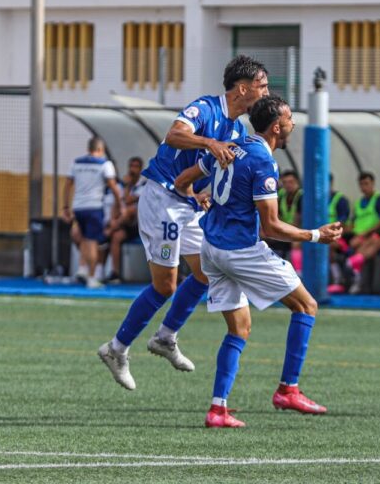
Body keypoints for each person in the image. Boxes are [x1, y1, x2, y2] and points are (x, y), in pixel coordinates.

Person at [98, 55, 269, 390]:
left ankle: (165, 337)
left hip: (186, 202)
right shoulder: (205, 109)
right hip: (161, 200)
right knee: (165, 285)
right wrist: (209, 142)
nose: (266, 93)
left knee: (207, 272)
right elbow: (175, 135)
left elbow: (204, 169)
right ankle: (116, 349)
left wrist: (200, 192)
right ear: (244, 88)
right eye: (262, 86)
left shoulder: (237, 128)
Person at [174, 95, 342, 428]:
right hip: (240, 252)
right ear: (277, 126)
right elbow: (271, 226)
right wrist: (316, 236)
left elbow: (182, 182)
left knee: (239, 329)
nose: (294, 122)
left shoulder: (231, 146)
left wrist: (202, 202)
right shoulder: (263, 162)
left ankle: (217, 409)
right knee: (306, 306)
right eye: (291, 117)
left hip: (212, 248)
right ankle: (288, 390)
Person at [62, 136, 122, 289]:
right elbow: (113, 187)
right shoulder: (105, 164)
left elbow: (67, 185)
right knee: (93, 242)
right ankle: (92, 277)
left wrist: (65, 208)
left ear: (88, 148)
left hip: (78, 207)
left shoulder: (76, 163)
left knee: (83, 238)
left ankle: (82, 268)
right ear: (101, 149)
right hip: (94, 207)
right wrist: (120, 204)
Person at [343, 172, 380, 294]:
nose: (364, 187)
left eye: (366, 183)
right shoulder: (358, 203)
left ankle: (355, 274)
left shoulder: (379, 200)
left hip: (372, 235)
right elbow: (353, 222)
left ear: (373, 184)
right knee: (350, 243)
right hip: (358, 236)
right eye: (361, 184)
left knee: (360, 244)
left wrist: (365, 233)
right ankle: (353, 278)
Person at [104, 156, 147, 284]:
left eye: (136, 167)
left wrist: (127, 185)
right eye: (131, 166)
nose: (133, 170)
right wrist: (112, 219)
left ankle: (110, 229)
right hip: (124, 224)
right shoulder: (122, 185)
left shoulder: (144, 185)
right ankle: (115, 273)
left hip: (138, 224)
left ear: (140, 169)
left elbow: (128, 200)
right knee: (116, 236)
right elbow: (118, 203)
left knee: (130, 210)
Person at [268, 170, 303, 269]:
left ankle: (297, 271)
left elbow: (298, 220)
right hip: (286, 229)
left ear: (297, 182)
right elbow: (275, 215)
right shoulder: (282, 194)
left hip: (298, 231)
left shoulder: (301, 196)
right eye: (285, 182)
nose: (288, 185)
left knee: (295, 245)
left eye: (291, 182)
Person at [326, 173, 351, 293]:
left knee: (328, 245)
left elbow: (343, 224)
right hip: (320, 235)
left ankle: (338, 279)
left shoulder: (340, 200)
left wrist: (329, 233)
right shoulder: (314, 200)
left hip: (339, 236)